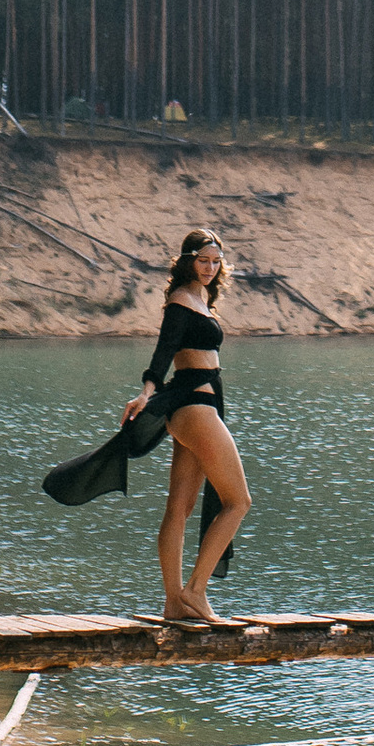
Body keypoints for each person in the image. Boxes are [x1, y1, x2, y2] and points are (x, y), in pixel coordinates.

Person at [123, 230, 252, 624]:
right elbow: (164, 350)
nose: (211, 268)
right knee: (238, 502)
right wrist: (146, 390)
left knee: (179, 508)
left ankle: (173, 603)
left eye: (216, 262)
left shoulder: (202, 299)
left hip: (194, 406)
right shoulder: (181, 301)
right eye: (203, 261)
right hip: (195, 407)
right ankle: (195, 591)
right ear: (187, 261)